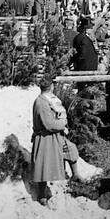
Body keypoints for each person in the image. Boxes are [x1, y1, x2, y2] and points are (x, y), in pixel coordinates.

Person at [31, 75, 72, 205]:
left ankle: (74, 177)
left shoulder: (45, 100)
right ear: (51, 87)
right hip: (45, 137)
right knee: (43, 166)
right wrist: (62, 125)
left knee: (69, 151)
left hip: (50, 136)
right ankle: (42, 196)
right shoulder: (42, 102)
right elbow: (48, 124)